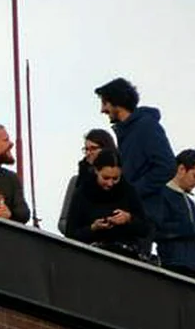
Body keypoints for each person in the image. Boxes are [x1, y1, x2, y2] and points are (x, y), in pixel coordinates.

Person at [95, 78, 175, 251]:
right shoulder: (126, 133)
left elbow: (167, 166)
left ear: (117, 101)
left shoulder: (146, 127)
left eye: (105, 103)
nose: (102, 110)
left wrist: (133, 192)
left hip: (142, 217)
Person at [62, 149, 151, 259]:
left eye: (115, 178)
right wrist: (93, 228)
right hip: (91, 255)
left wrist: (128, 219)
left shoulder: (128, 191)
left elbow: (145, 229)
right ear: (96, 171)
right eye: (106, 178)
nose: (110, 183)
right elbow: (70, 234)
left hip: (125, 255)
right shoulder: (83, 193)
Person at [58, 129, 116, 235]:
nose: (89, 153)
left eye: (93, 148)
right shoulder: (77, 181)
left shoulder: (121, 181)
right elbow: (63, 222)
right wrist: (91, 228)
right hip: (82, 244)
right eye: (86, 149)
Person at [156, 150, 195, 277]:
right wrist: (191, 228)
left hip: (193, 268)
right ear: (181, 169)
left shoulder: (191, 203)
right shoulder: (162, 194)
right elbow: (158, 230)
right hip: (173, 265)